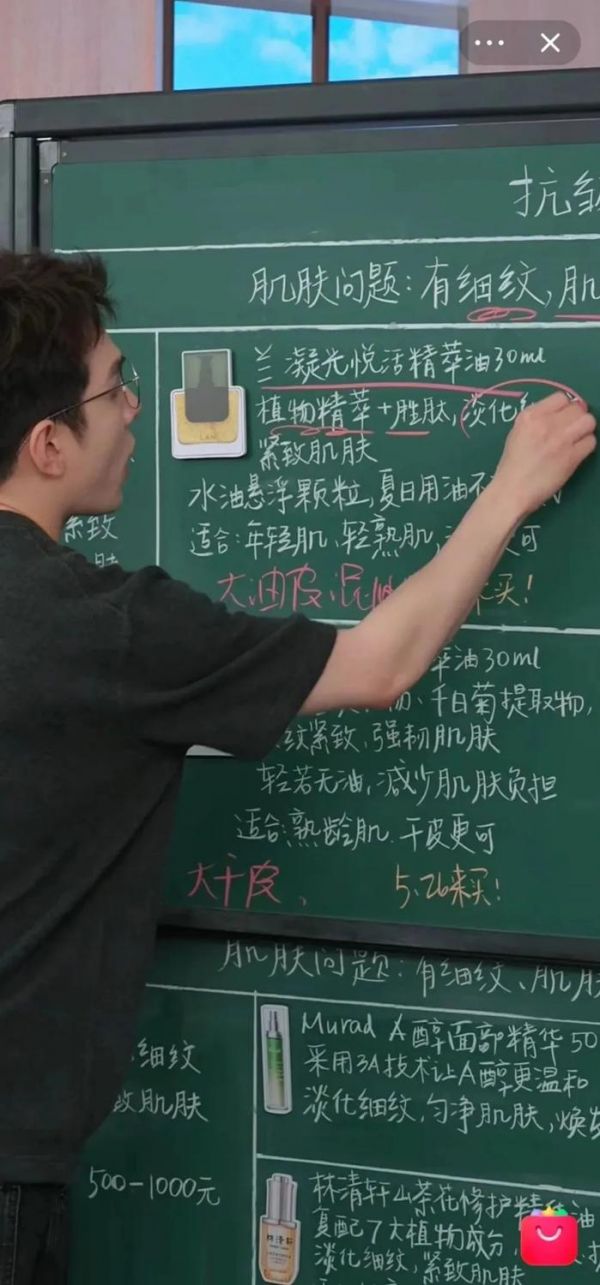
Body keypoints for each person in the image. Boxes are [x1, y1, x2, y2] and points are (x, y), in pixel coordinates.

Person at [0, 249, 595, 1285]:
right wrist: (509, 491)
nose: (136, 410)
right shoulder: (103, 630)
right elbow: (379, 664)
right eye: (114, 388)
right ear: (49, 444)